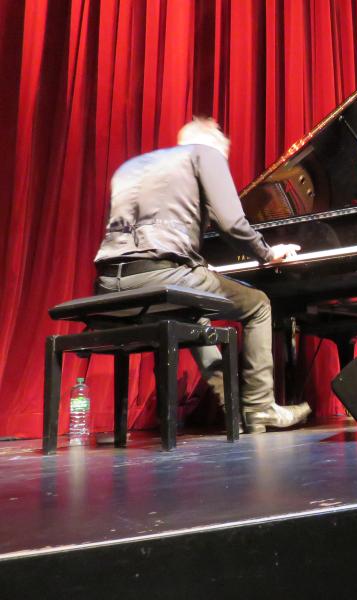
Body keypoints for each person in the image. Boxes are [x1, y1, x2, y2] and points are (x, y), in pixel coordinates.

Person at [94, 117, 311, 432]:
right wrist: (266, 252)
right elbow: (232, 224)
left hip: (109, 283)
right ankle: (261, 408)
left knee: (193, 312)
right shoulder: (205, 155)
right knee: (259, 304)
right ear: (215, 146)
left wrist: (191, 264)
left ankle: (234, 409)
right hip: (162, 274)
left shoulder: (130, 167)